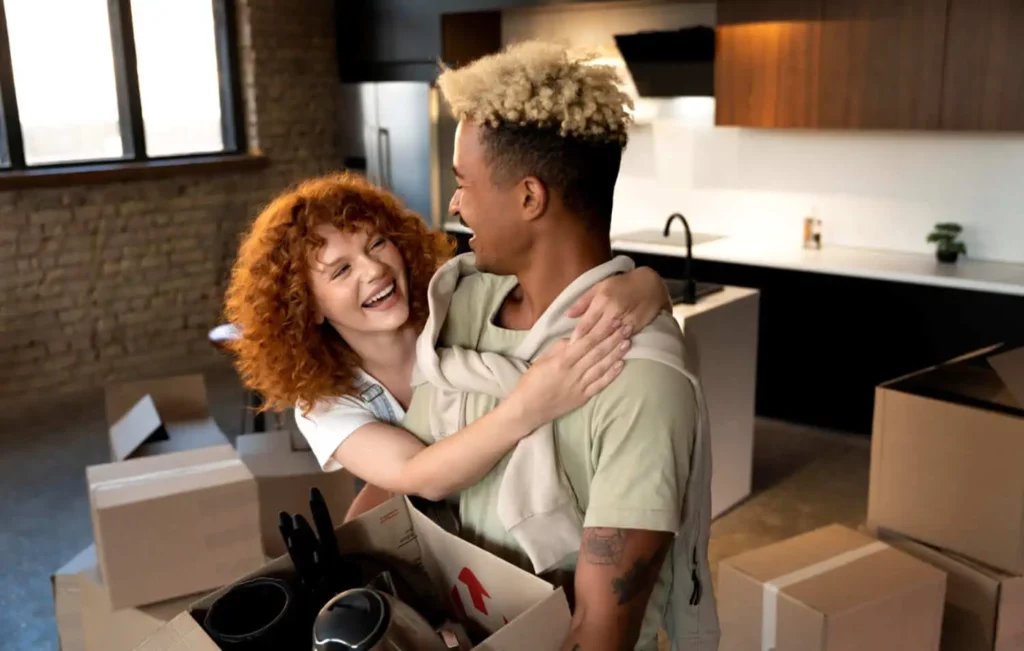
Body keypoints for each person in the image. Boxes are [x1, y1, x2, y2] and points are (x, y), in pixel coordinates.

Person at [399, 42, 720, 651]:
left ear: (529, 198)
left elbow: (598, 634)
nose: (453, 203)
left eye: (463, 183)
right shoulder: (461, 305)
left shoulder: (640, 384)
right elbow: (403, 470)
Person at [222, 172, 671, 520]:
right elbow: (418, 476)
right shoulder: (324, 403)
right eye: (340, 271)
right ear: (308, 307)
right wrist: (532, 404)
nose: (373, 270)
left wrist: (646, 283)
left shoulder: (461, 302)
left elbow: (565, 290)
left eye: (377, 244)